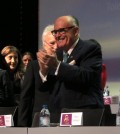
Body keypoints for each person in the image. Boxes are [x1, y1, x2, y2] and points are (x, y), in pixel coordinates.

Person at [37, 15, 104, 113]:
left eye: (62, 31)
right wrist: (43, 70)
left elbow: (86, 76)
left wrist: (57, 65)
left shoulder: (90, 48)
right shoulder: (57, 53)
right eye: (55, 32)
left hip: (83, 112)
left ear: (75, 31)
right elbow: (45, 89)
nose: (57, 35)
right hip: (58, 114)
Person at [18, 25, 57, 127]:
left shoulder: (66, 65)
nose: (56, 46)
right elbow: (25, 98)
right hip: (40, 120)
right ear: (44, 45)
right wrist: (22, 126)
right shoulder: (33, 66)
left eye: (58, 42)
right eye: (52, 43)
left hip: (62, 120)